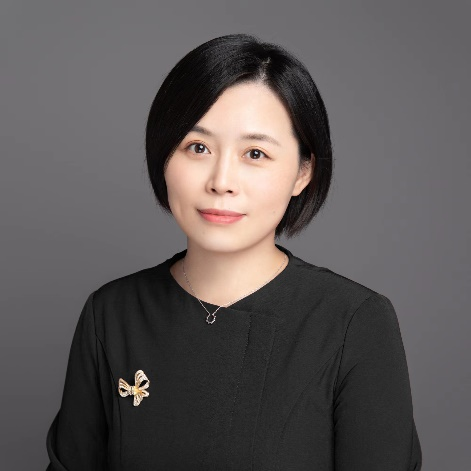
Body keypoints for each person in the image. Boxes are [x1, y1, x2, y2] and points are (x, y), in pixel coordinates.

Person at [45, 33, 422, 470]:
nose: (221, 181)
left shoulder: (354, 322)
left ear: (303, 172)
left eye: (255, 153)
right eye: (198, 147)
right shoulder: (111, 314)